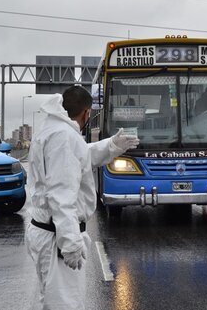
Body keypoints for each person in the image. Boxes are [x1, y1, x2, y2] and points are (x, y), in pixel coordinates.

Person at [25, 86, 139, 309]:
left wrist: (111, 146)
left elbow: (79, 157)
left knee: (48, 301)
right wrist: (70, 242)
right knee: (65, 304)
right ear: (87, 113)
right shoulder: (64, 137)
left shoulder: (55, 131)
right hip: (55, 236)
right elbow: (61, 193)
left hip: (48, 231)